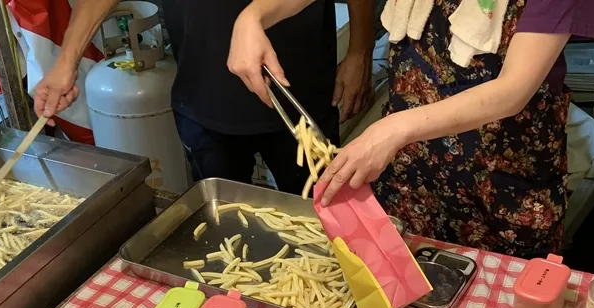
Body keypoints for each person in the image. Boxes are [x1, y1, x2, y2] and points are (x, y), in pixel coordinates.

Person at [229, 0, 594, 257]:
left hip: (502, 183)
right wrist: (252, 17)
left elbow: (513, 89)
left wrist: (393, 129)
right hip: (411, 177)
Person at [34, 0, 375, 196]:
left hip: (299, 96)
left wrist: (361, 48)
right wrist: (66, 60)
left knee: (326, 221)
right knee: (228, 234)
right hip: (204, 98)